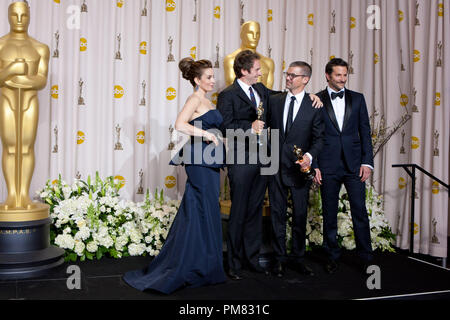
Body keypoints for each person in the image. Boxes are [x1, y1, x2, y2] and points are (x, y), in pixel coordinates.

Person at [123, 58, 226, 294]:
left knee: (203, 210)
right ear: (197, 80)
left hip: (208, 160)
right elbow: (180, 124)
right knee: (200, 209)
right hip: (199, 160)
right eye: (208, 77)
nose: (212, 80)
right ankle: (189, 265)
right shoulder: (194, 99)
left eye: (212, 76)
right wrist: (206, 135)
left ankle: (204, 265)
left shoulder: (207, 101)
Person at [217, 51, 322, 280]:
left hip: (264, 161)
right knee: (239, 212)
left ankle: (252, 260)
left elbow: (286, 97)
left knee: (255, 212)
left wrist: (310, 96)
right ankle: (233, 264)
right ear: (244, 71)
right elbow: (225, 127)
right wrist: (249, 127)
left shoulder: (261, 90)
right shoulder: (228, 95)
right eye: (256, 69)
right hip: (242, 161)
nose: (260, 72)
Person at [314, 58, 374, 274]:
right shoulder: (316, 99)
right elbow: (314, 135)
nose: (342, 79)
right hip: (328, 165)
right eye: (338, 75)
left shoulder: (358, 99)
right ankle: (331, 256)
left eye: (345, 75)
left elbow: (365, 131)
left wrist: (367, 162)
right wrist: (316, 165)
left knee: (359, 211)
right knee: (329, 213)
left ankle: (367, 257)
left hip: (354, 165)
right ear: (328, 76)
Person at [266, 61, 324, 277]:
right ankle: (279, 259)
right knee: (277, 216)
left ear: (305, 79)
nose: (288, 78)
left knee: (300, 216)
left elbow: (319, 139)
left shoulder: (316, 106)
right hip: (274, 168)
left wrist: (308, 158)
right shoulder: (274, 100)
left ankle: (298, 259)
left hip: (300, 171)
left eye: (292, 75)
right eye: (287, 74)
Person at [0, 1, 50, 217]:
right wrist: (12, 69)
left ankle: (24, 195)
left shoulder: (40, 48)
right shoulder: (0, 45)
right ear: (8, 16)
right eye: (15, 15)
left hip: (29, 101)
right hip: (7, 100)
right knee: (11, 147)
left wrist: (15, 79)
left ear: (29, 16)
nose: (19, 20)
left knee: (26, 147)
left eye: (23, 15)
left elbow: (41, 80)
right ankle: (12, 195)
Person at [223, 21, 275, 89]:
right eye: (250, 33)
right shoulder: (231, 60)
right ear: (242, 35)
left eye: (257, 33)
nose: (254, 37)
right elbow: (233, 89)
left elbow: (269, 92)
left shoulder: (268, 62)